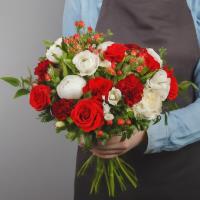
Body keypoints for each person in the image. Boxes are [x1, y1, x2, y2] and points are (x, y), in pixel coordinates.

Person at [63, 0, 200, 199]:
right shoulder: (84, 2)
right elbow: (69, 79)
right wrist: (82, 124)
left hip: (180, 175)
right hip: (102, 175)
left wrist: (149, 133)